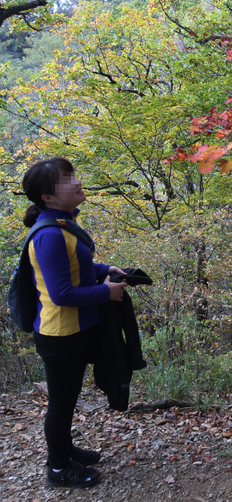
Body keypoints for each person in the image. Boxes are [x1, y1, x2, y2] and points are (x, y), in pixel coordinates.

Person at [21, 157, 128, 488]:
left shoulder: (65, 224)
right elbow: (62, 293)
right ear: (48, 198)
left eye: (72, 175)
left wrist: (105, 270)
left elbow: (79, 269)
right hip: (59, 333)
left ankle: (65, 450)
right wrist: (106, 293)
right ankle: (57, 467)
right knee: (61, 402)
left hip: (75, 329)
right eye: (66, 180)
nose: (76, 182)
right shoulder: (50, 235)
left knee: (66, 398)